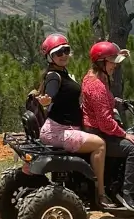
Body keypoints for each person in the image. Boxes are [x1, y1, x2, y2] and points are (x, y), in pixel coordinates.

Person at [37, 33, 115, 209]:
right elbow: (51, 94)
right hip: (58, 131)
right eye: (58, 53)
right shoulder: (53, 76)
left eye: (66, 50)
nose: (63, 55)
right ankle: (101, 194)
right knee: (100, 144)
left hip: (65, 128)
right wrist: (47, 100)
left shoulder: (63, 73)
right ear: (50, 57)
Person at [82, 41, 134, 212]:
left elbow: (103, 102)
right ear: (101, 62)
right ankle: (129, 193)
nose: (115, 66)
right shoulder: (97, 86)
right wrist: (124, 134)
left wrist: (118, 102)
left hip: (98, 131)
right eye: (112, 62)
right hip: (100, 133)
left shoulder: (93, 78)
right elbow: (105, 121)